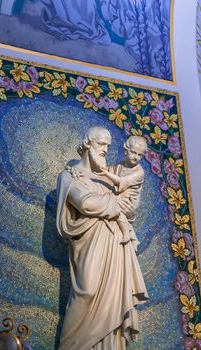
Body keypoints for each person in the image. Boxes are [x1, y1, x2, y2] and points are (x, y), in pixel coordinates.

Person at [56, 127, 149, 349]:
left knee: (114, 301)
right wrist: (118, 207)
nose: (106, 149)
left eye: (108, 145)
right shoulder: (69, 176)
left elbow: (131, 207)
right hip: (89, 244)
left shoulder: (108, 177)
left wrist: (120, 208)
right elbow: (86, 203)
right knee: (86, 290)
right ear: (88, 144)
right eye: (101, 144)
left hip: (116, 245)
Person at [98, 136, 147, 250]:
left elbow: (121, 182)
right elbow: (109, 170)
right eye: (133, 152)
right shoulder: (120, 165)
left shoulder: (139, 172)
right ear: (126, 150)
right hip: (120, 198)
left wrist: (104, 173)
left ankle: (127, 233)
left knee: (112, 204)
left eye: (140, 155)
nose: (136, 157)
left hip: (129, 202)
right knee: (109, 201)